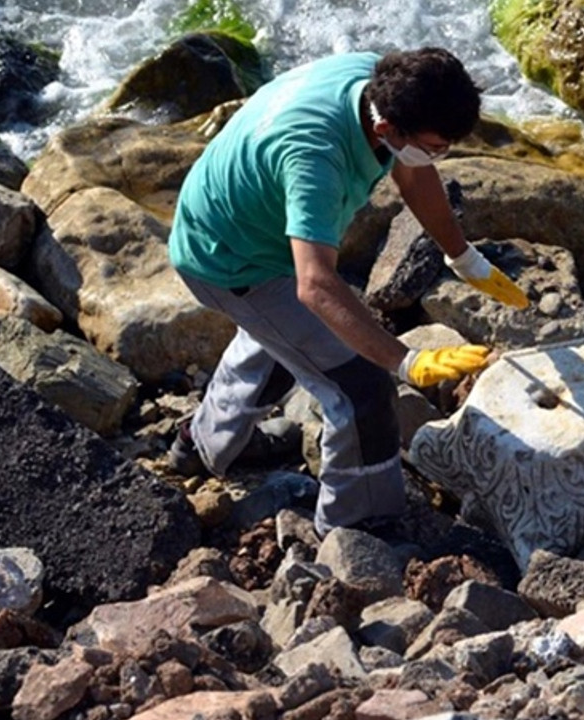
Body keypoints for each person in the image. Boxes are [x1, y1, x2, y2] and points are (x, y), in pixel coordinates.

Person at [165, 47, 529, 536]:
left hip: (248, 226)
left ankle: (201, 443)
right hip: (227, 260)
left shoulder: (380, 81)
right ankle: (354, 530)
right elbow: (315, 285)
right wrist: (403, 361)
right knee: (360, 386)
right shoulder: (315, 159)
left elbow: (414, 172)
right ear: (387, 132)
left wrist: (462, 256)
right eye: (437, 146)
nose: (441, 156)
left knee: (282, 344)